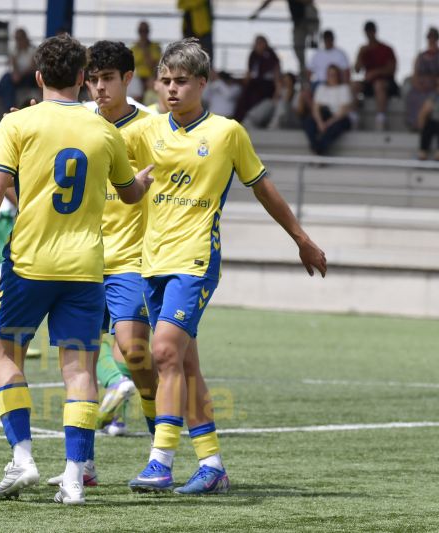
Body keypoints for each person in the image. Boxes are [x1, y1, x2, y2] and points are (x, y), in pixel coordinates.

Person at [0, 34, 154, 505]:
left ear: (39, 76)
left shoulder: (17, 123)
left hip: (28, 264)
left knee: (9, 356)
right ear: (83, 78)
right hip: (85, 268)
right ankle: (73, 476)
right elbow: (129, 193)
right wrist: (143, 181)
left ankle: (22, 458)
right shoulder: (104, 130)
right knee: (79, 369)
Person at [121, 37, 326, 495]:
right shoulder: (146, 130)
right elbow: (102, 145)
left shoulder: (227, 133)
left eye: (181, 81)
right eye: (165, 81)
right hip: (152, 260)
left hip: (196, 260)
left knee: (164, 352)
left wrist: (301, 238)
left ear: (203, 83)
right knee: (185, 364)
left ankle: (160, 461)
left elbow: (263, 187)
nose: (171, 89)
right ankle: (212, 466)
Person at [45, 40, 158, 489]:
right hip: (84, 259)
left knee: (133, 351)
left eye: (107, 78)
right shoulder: (81, 122)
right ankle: (84, 464)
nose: (98, 88)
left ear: (127, 78)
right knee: (82, 362)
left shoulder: (151, 126)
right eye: (92, 79)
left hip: (131, 259)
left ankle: (160, 447)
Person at [251, 0, 319, 81]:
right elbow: (268, 2)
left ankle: (313, 37)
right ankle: (303, 75)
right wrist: (256, 13)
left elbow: (309, 2)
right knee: (298, 49)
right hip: (298, 24)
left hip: (308, 18)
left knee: (310, 11)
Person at [354, 21, 398, 131]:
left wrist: (375, 72)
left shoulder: (386, 49)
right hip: (369, 83)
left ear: (375, 31)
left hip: (386, 83)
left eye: (371, 31)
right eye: (367, 32)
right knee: (354, 86)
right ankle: (354, 117)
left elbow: (392, 69)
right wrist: (360, 54)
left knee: (378, 85)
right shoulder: (363, 49)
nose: (369, 34)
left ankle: (380, 119)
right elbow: (357, 70)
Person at [303, 64, 353, 155]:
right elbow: (316, 108)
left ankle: (318, 149)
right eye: (329, 74)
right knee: (309, 122)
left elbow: (343, 111)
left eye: (333, 74)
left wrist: (327, 123)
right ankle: (316, 147)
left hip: (338, 118)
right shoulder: (321, 88)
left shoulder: (344, 88)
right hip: (324, 115)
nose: (331, 77)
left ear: (338, 75)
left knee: (335, 127)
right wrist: (320, 122)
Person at [0, 28, 36, 112]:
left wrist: (19, 75)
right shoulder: (15, 50)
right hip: (19, 76)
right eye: (16, 38)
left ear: (25, 38)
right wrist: (16, 74)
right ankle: (8, 106)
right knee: (7, 80)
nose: (18, 41)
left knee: (6, 79)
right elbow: (14, 66)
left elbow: (32, 67)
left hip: (29, 76)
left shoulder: (32, 50)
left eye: (20, 38)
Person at [234, 35, 281, 124]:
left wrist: (277, 91)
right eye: (256, 44)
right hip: (254, 84)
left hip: (267, 85)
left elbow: (276, 76)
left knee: (256, 97)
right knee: (243, 98)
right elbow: (249, 72)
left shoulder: (271, 56)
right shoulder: (253, 56)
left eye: (260, 43)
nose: (258, 46)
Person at [406, 28, 439, 131]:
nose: (431, 39)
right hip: (420, 88)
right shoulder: (421, 56)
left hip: (434, 88)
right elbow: (415, 73)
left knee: (428, 101)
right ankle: (415, 125)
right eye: (429, 37)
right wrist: (418, 85)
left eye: (433, 37)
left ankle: (423, 128)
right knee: (413, 96)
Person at [131, 21, 162, 95]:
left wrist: (144, 48)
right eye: (141, 31)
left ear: (148, 31)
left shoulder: (155, 47)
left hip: (151, 77)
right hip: (137, 78)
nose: (143, 33)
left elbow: (154, 66)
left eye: (145, 31)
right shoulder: (133, 48)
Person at [416, 80, 439, 160]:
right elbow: (424, 111)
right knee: (427, 126)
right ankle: (423, 151)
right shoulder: (433, 97)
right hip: (433, 122)